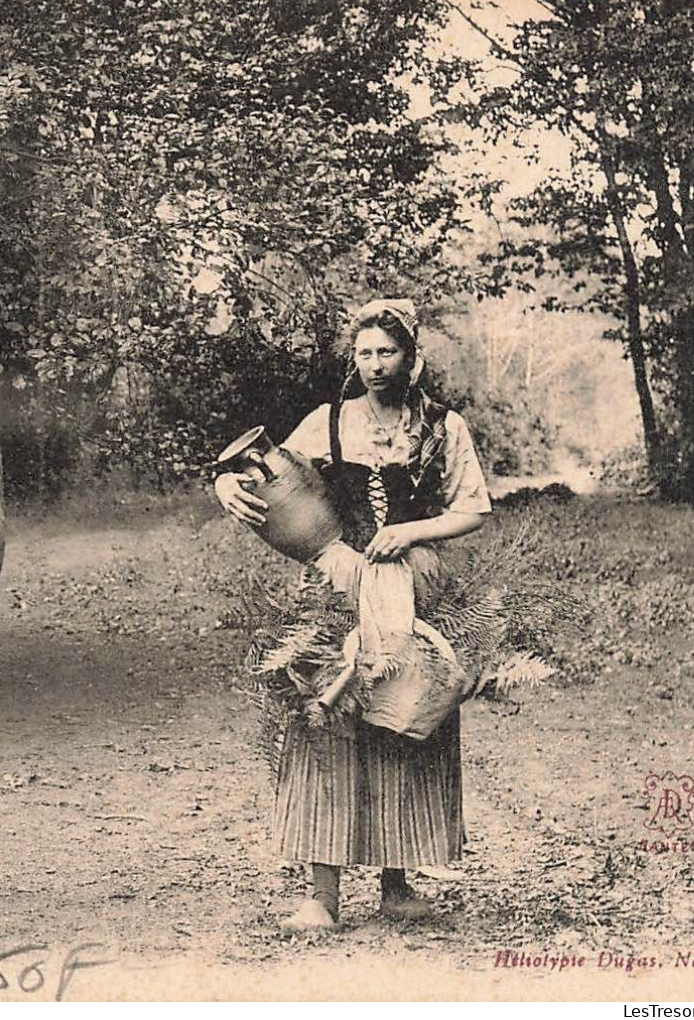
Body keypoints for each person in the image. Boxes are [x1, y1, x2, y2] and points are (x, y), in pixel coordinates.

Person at [215, 298, 492, 931]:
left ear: (411, 357)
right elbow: (264, 474)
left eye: (387, 352)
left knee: (404, 717)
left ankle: (397, 885)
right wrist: (225, 484)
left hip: (414, 583)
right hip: (339, 582)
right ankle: (322, 895)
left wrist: (412, 532)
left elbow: (474, 509)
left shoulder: (444, 427)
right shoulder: (329, 422)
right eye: (364, 353)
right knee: (327, 718)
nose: (375, 365)